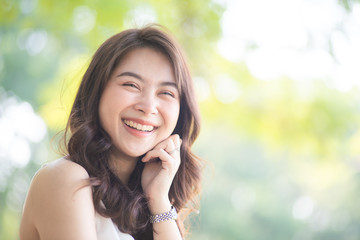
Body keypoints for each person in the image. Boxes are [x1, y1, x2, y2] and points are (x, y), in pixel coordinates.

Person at [19, 25, 203, 240]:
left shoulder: (149, 206)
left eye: (166, 92)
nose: (148, 106)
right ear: (97, 92)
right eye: (131, 85)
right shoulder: (65, 179)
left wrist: (159, 200)